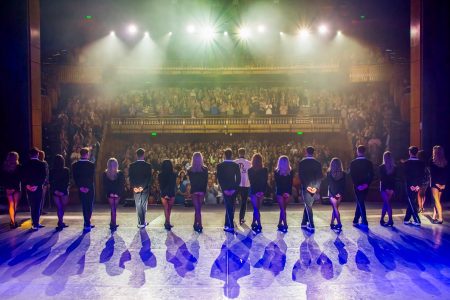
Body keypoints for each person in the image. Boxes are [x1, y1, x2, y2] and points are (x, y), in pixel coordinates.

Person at [20, 148, 47, 231]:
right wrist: (37, 185)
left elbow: (22, 176)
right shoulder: (42, 164)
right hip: (38, 187)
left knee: (32, 205)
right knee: (37, 205)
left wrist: (27, 185)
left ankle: (35, 223)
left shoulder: (25, 164)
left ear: (29, 155)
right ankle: (36, 223)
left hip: (29, 187)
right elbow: (43, 177)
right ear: (38, 154)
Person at [298, 146, 323, 231]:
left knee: (308, 205)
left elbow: (300, 176)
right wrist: (316, 188)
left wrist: (305, 186)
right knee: (308, 204)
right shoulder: (317, 163)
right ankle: (304, 222)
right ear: (313, 152)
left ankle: (311, 223)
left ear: (306, 152)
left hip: (306, 187)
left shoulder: (302, 163)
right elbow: (319, 177)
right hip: (314, 187)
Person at [216, 148, 241, 233]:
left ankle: (230, 226)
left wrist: (224, 189)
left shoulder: (219, 165)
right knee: (231, 206)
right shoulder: (235, 165)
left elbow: (219, 179)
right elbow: (238, 178)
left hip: (225, 189)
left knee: (229, 206)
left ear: (224, 155)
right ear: (231, 155)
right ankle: (227, 223)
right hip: (233, 189)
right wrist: (234, 189)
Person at [349, 145, 374, 227]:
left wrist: (357, 185)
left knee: (360, 201)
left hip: (357, 186)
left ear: (357, 151)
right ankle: (356, 219)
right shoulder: (369, 163)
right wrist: (366, 184)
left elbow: (352, 175)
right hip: (366, 186)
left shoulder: (353, 163)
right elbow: (371, 175)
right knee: (360, 201)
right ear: (365, 152)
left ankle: (364, 220)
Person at [72, 147, 96, 231]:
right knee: (89, 205)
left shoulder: (75, 165)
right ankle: (87, 222)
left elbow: (75, 178)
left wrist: (80, 187)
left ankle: (87, 222)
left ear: (80, 154)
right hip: (90, 188)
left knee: (84, 205)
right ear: (87, 154)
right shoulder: (91, 165)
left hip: (81, 188)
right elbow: (91, 178)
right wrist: (88, 188)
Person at [128, 148, 152, 228]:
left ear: (136, 155)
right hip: (144, 188)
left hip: (136, 188)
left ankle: (141, 222)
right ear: (143, 155)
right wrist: (142, 187)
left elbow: (131, 178)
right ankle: (142, 222)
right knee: (143, 205)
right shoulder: (148, 166)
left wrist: (135, 187)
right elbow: (148, 179)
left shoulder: (132, 166)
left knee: (138, 204)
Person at [402, 146, 426, 226]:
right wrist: (418, 185)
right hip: (416, 185)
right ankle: (406, 219)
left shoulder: (406, 163)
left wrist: (411, 185)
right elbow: (422, 175)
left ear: (410, 152)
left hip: (409, 185)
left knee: (411, 201)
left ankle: (417, 220)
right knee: (411, 201)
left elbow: (405, 175)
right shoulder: (421, 163)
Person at [187, 152, 208, 233]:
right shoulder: (205, 169)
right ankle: (198, 224)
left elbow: (191, 181)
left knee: (197, 209)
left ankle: (198, 224)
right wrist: (204, 191)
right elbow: (205, 182)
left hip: (194, 191)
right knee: (198, 209)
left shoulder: (189, 169)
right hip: (201, 190)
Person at [103, 157, 125, 230]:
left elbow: (121, 184)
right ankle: (113, 223)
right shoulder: (106, 173)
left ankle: (112, 222)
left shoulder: (119, 173)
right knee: (113, 207)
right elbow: (105, 185)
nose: (113, 166)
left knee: (113, 207)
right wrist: (112, 193)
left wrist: (115, 193)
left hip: (115, 193)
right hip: (112, 193)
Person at [248, 153, 268, 234]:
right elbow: (265, 181)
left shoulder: (250, 170)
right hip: (261, 191)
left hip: (254, 190)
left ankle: (256, 223)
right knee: (257, 208)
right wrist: (261, 191)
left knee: (256, 208)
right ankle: (257, 223)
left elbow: (252, 181)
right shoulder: (264, 170)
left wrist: (257, 192)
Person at [49, 154, 70, 229]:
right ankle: (60, 221)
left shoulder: (51, 171)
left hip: (55, 191)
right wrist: (62, 191)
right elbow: (67, 181)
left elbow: (51, 182)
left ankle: (60, 221)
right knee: (63, 207)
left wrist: (55, 190)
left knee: (59, 207)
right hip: (63, 191)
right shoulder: (66, 170)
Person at [1, 152, 21, 228]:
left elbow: (3, 178)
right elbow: (20, 178)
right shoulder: (18, 167)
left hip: (8, 188)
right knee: (15, 206)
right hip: (16, 187)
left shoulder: (5, 167)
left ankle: (12, 222)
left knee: (11, 205)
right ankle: (13, 221)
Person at [274, 155, 293, 233]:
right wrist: (287, 192)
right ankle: (284, 224)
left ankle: (280, 223)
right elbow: (290, 183)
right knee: (283, 209)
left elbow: (277, 183)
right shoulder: (289, 171)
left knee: (283, 209)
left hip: (281, 191)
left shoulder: (277, 171)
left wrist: (286, 192)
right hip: (284, 192)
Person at [429, 145, 448, 224]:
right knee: (438, 201)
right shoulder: (445, 162)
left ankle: (440, 218)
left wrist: (437, 184)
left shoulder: (432, 161)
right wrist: (444, 184)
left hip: (435, 183)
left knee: (436, 201)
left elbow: (432, 174)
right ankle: (434, 216)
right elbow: (446, 174)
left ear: (435, 152)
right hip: (442, 184)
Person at [158, 159, 177, 230]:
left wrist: (165, 193)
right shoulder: (174, 174)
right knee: (169, 209)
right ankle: (167, 222)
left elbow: (161, 185)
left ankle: (167, 222)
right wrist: (169, 193)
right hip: (171, 192)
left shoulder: (160, 175)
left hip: (163, 193)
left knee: (166, 208)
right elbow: (173, 185)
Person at [327, 157, 345, 230]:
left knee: (335, 208)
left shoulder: (329, 173)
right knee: (335, 208)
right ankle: (332, 223)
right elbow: (344, 185)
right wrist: (340, 193)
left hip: (332, 193)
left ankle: (339, 223)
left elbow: (329, 184)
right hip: (339, 194)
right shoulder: (343, 174)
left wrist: (331, 194)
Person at [234, 148, 251, 225]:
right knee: (243, 202)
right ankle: (241, 218)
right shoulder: (249, 163)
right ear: (245, 153)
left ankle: (231, 217)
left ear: (238, 153)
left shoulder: (235, 162)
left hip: (236, 184)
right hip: (245, 185)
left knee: (233, 201)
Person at [379, 151, 396, 227]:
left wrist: (386, 188)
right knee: (386, 203)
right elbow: (394, 179)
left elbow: (381, 179)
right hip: (391, 188)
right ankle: (382, 219)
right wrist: (391, 189)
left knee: (387, 204)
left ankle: (390, 220)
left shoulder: (381, 167)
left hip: (384, 188)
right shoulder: (394, 168)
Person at [38, 150, 49, 215]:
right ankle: (40, 210)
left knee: (41, 197)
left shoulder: (44, 163)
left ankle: (40, 210)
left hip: (40, 182)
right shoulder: (44, 163)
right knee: (42, 197)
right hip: (43, 182)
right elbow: (47, 173)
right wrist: (47, 182)